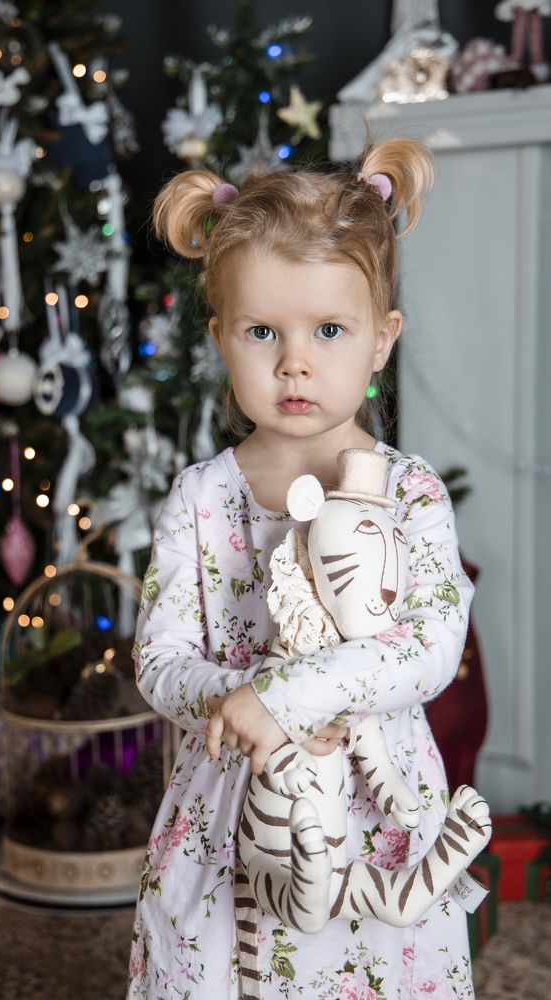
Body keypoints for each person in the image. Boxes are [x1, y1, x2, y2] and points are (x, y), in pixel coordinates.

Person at [127, 137, 477, 998]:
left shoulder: (409, 493)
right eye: (261, 332)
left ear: (380, 340)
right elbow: (160, 660)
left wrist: (288, 696)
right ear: (220, 338)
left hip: (372, 808)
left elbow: (429, 646)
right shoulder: (202, 496)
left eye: (328, 330)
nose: (294, 360)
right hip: (231, 807)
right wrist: (239, 704)